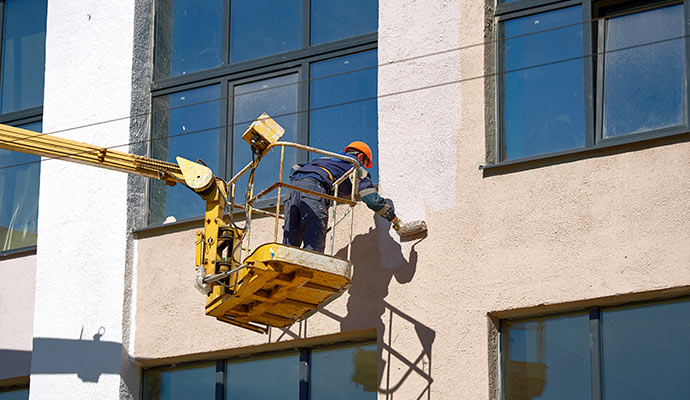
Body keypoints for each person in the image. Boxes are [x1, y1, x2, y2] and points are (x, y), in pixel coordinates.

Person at [283, 141, 397, 253]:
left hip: (291, 190)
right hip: (313, 190)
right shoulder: (356, 167)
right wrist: (393, 218)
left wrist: (300, 185)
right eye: (366, 164)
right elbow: (372, 199)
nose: (365, 167)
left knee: (289, 247)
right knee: (314, 247)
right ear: (361, 157)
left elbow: (295, 167)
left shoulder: (326, 160)